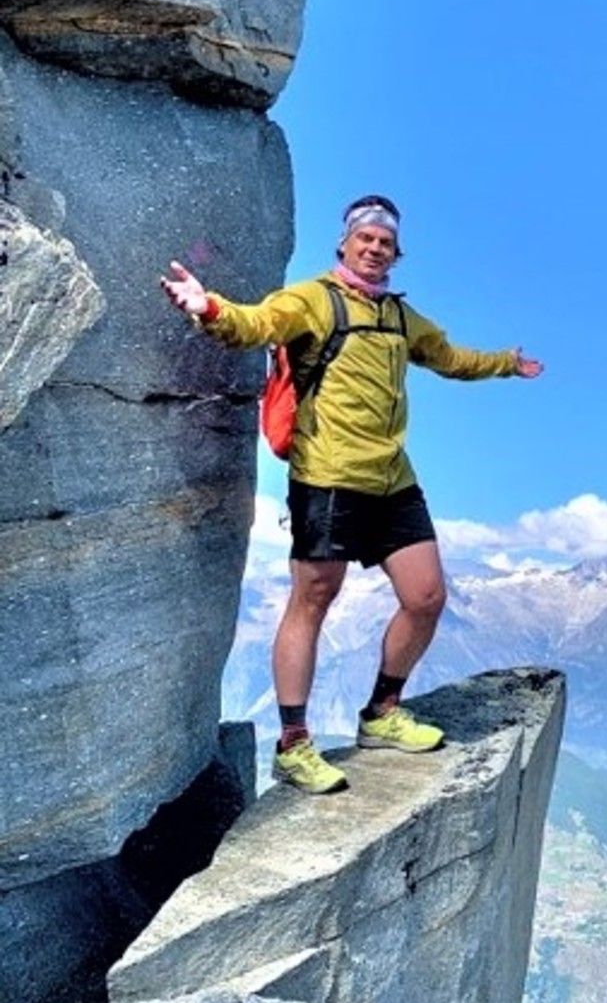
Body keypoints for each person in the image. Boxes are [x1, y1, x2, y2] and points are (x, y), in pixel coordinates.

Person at [160, 194, 544, 794]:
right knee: (313, 598)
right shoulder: (313, 299)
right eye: (365, 237)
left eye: (385, 242)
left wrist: (504, 363)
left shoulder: (400, 317)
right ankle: (293, 745)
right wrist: (208, 307)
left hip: (392, 478)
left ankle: (382, 714)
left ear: (396, 253)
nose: (375, 247)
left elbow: (450, 358)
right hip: (328, 476)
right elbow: (256, 324)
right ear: (344, 243)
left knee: (426, 596)